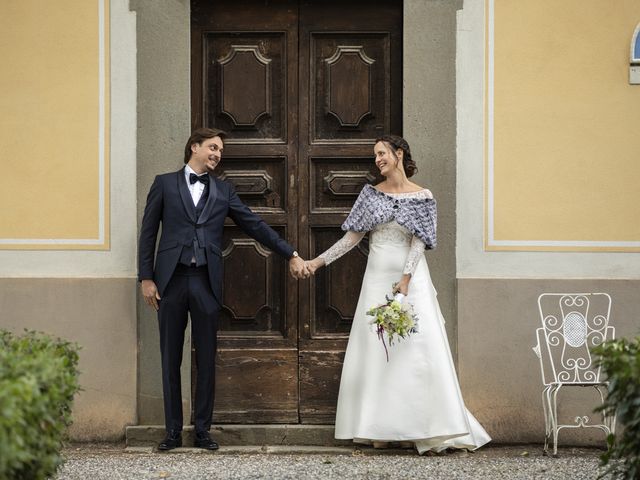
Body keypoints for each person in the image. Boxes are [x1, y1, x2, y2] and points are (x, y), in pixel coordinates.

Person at [305, 135, 491, 453]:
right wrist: (318, 262)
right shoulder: (370, 195)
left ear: (399, 154)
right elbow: (351, 239)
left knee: (415, 350)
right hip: (376, 279)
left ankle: (420, 426)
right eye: (374, 155)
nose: (377, 159)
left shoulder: (424, 197)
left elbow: (419, 241)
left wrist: (405, 280)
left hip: (410, 280)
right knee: (377, 351)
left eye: (382, 153)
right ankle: (379, 427)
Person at [138, 127, 308, 451]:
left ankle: (202, 430)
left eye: (220, 151)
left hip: (205, 281)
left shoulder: (223, 190)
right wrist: (146, 278)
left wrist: (291, 252)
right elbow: (148, 233)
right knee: (169, 356)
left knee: (206, 357)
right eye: (213, 148)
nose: (217, 154)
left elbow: (254, 224)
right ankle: (173, 431)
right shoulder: (164, 184)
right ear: (194, 147)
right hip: (170, 282)